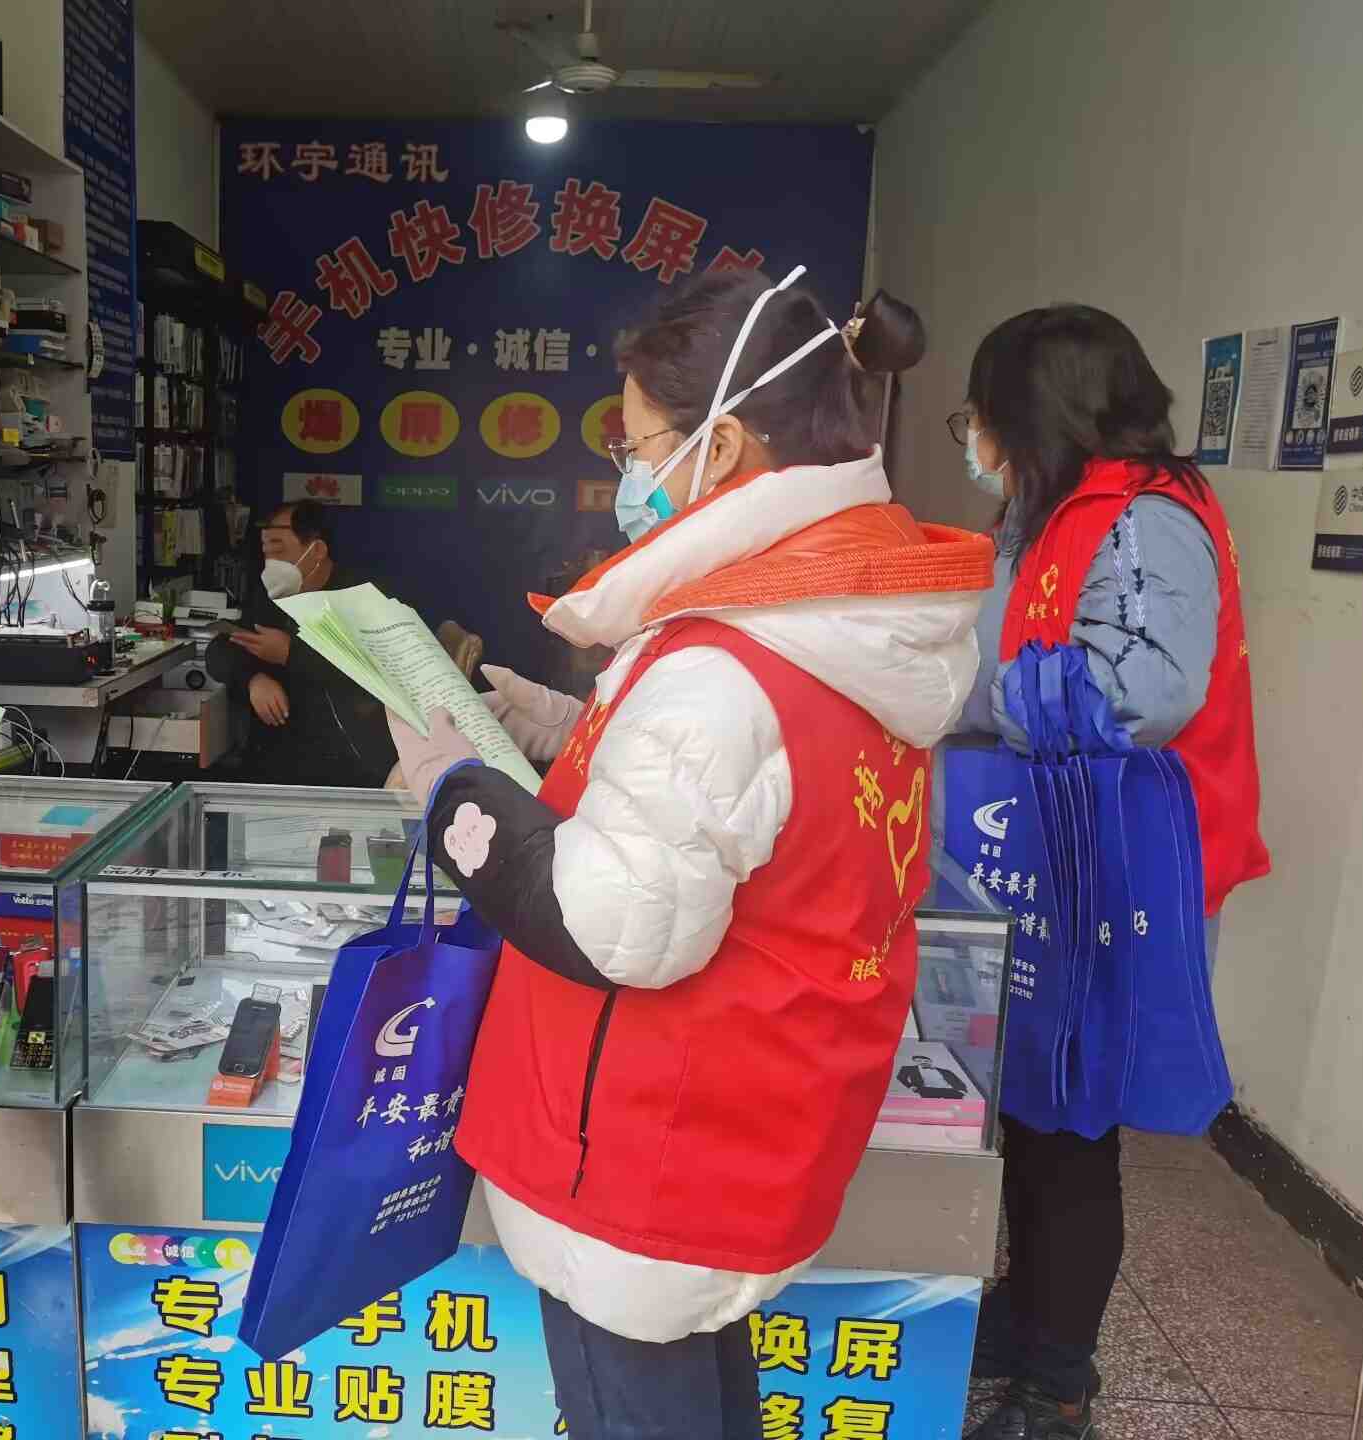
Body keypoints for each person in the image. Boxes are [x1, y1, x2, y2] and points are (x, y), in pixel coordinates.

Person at [387, 267, 995, 1440]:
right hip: (747, 1123)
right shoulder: (837, 628)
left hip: (640, 1159)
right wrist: (565, 729)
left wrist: (453, 791)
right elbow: (752, 804)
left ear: (719, 448)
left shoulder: (723, 668)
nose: (625, 474)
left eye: (635, 446)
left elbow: (611, 924)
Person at [949, 305, 1268, 1440]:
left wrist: (957, 695)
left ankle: (1058, 1380)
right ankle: (1027, 1307)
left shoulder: (1148, 519)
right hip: (1050, 857)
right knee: (1029, 1108)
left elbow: (1138, 690)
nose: (975, 435)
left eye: (982, 412)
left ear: (1037, 411)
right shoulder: (1050, 512)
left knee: (1075, 1121)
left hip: (1121, 872)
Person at [205, 499, 393, 786]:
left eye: (279, 550)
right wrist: (253, 680)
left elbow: (373, 675)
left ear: (316, 550)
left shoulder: (361, 597)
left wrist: (290, 654)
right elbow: (222, 649)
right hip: (278, 754)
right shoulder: (273, 597)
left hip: (347, 759)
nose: (271, 563)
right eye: (267, 552)